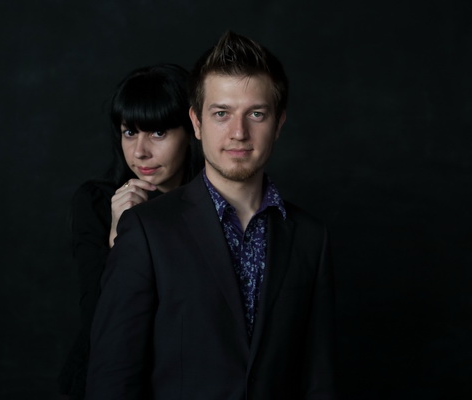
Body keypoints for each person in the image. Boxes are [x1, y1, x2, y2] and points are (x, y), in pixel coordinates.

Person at [86, 31, 335, 400]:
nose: (238, 133)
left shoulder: (311, 237)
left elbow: (319, 380)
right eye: (221, 114)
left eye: (256, 114)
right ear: (197, 123)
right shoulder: (146, 229)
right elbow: (113, 378)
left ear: (279, 124)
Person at [58, 64, 203, 399]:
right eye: (129, 132)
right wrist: (118, 235)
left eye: (158, 133)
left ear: (192, 130)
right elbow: (98, 317)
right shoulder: (97, 202)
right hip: (108, 378)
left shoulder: (213, 210)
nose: (140, 151)